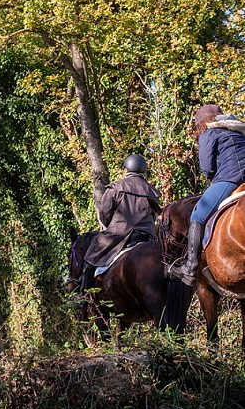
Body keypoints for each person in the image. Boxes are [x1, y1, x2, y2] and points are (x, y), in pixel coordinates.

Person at [168, 105, 245, 287]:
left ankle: (190, 267)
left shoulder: (209, 132)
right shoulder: (240, 130)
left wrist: (213, 178)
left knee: (198, 215)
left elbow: (207, 167)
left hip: (231, 179)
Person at [77, 154, 162, 298]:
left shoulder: (115, 188)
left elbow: (105, 213)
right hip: (147, 236)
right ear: (143, 170)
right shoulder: (152, 192)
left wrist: (109, 226)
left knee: (90, 257)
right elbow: (154, 215)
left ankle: (85, 299)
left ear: (126, 169)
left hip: (120, 234)